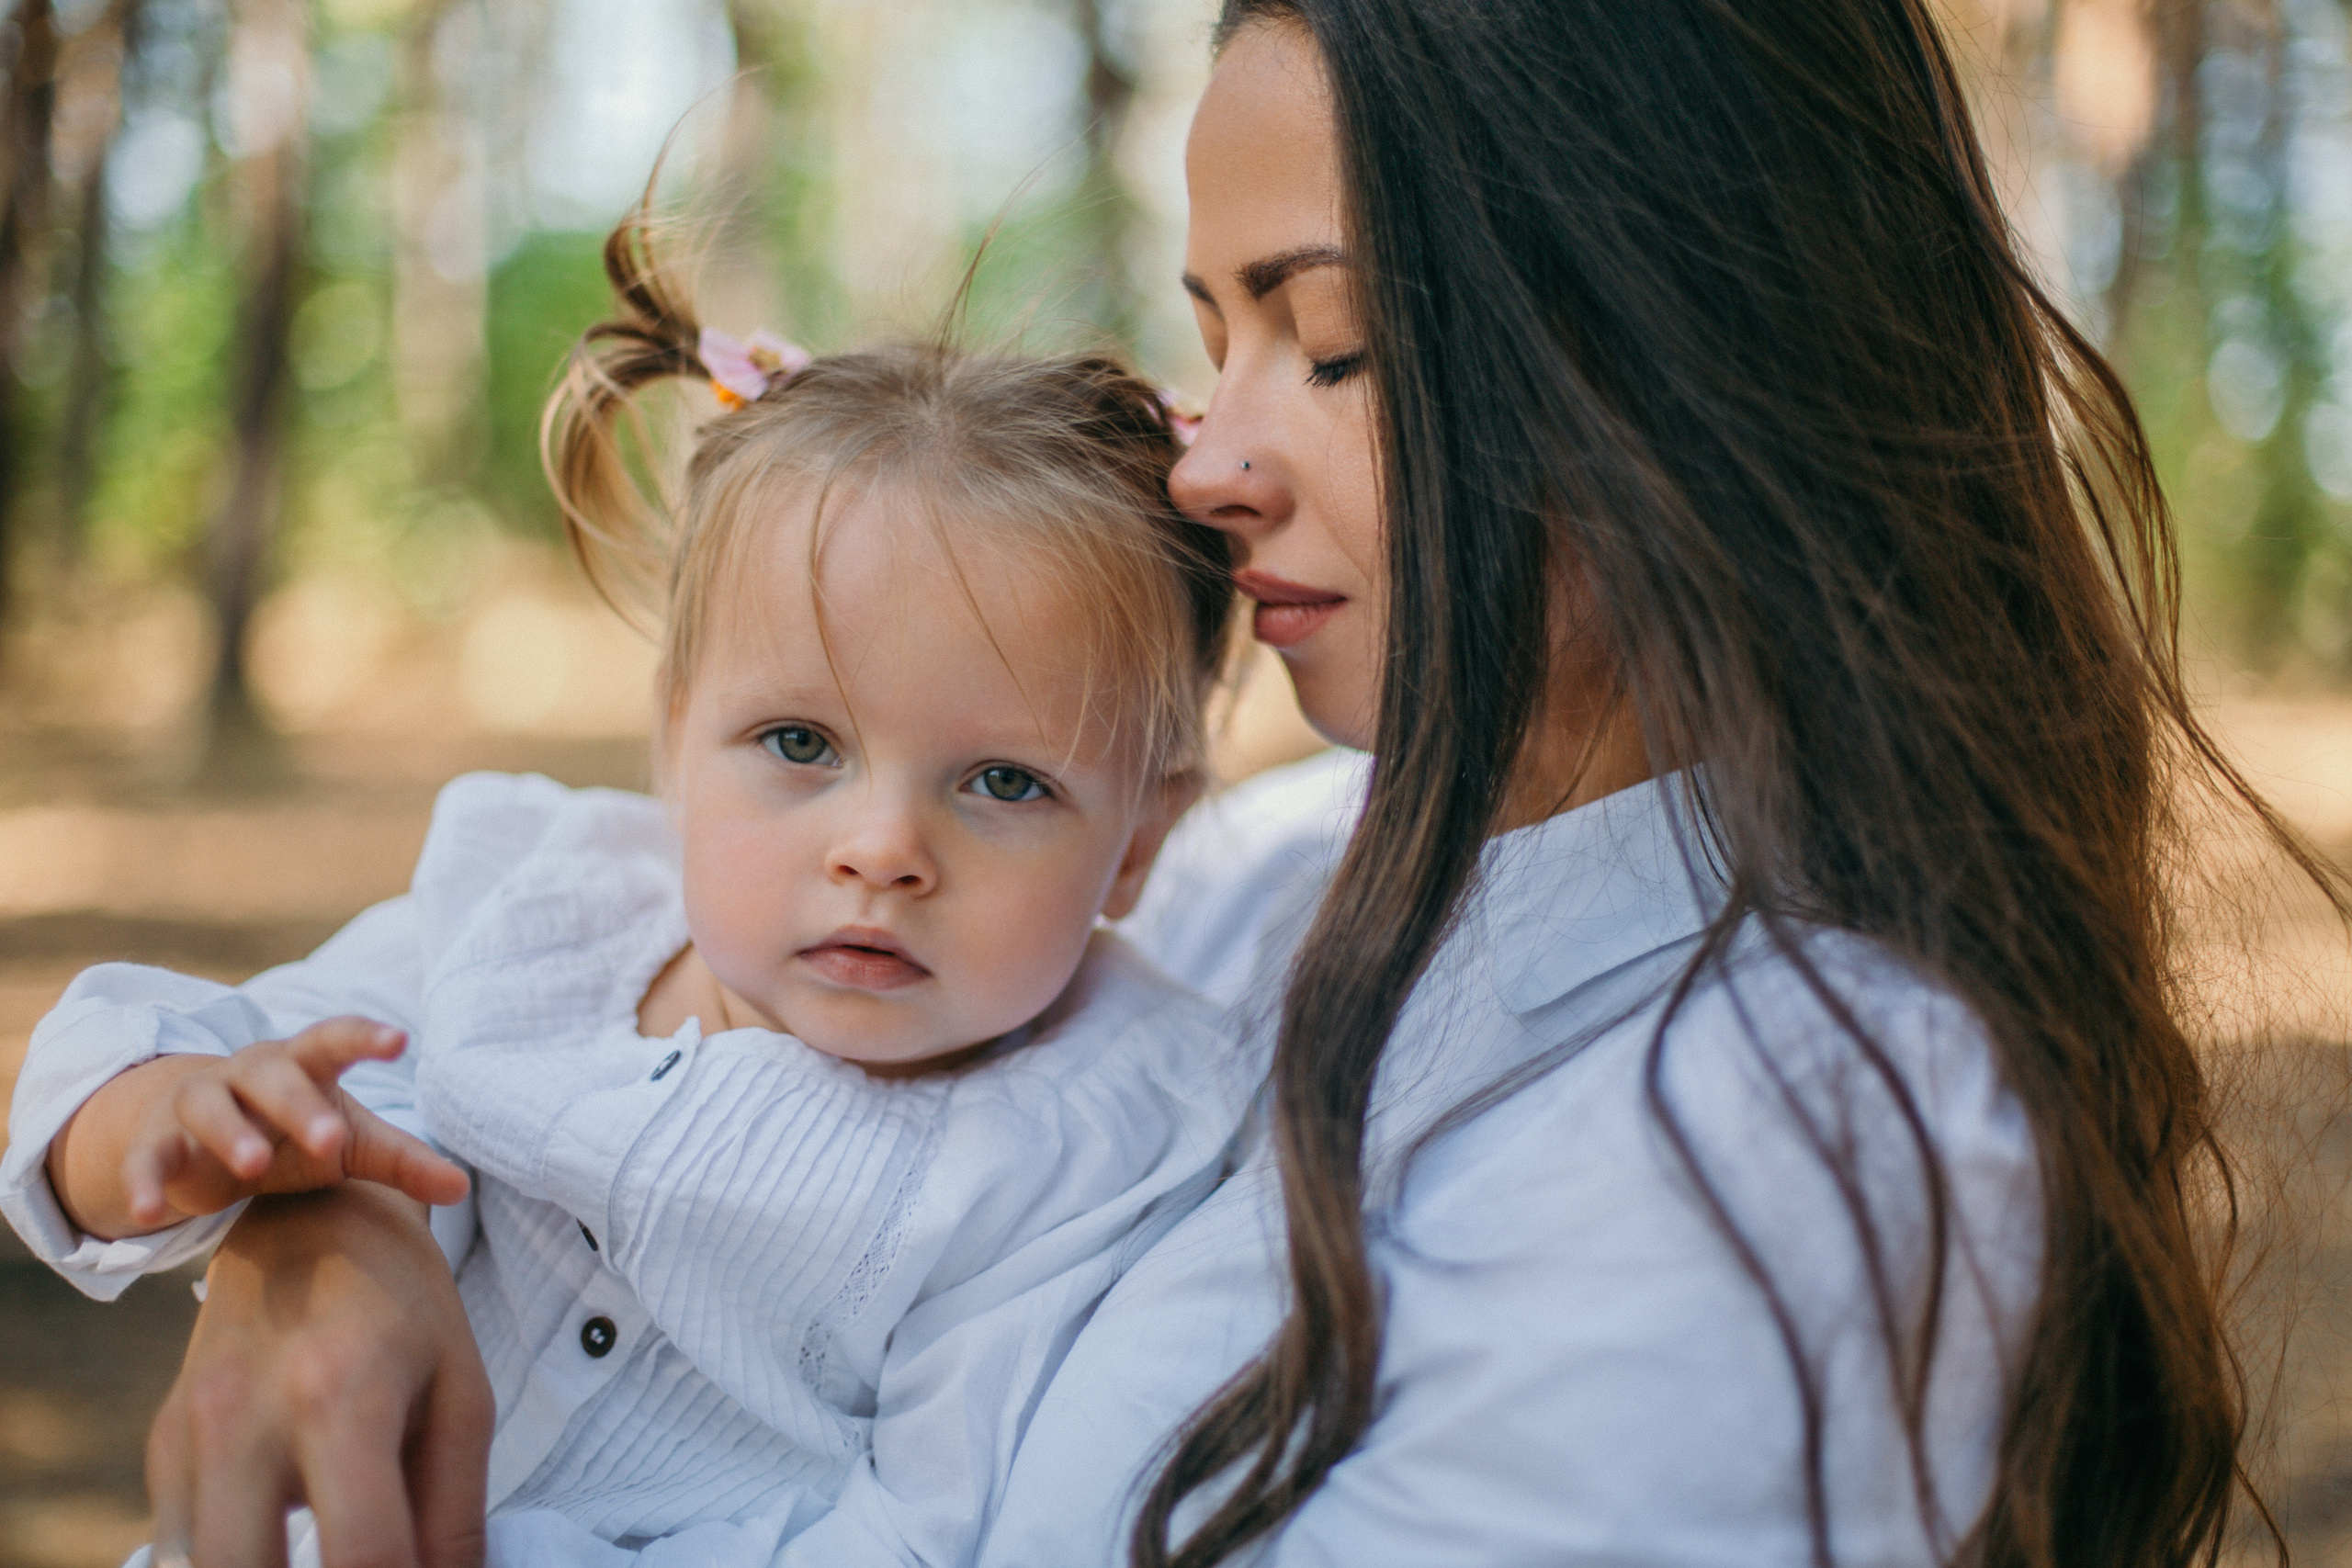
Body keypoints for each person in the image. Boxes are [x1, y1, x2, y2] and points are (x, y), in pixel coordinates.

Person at [10, 0, 2333, 1563]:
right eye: (1214, 329)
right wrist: (317, 1224)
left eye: (1333, 343)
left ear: (1674, 353)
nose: (1206, 461)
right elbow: (279, 1085)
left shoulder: (1798, 1128)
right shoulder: (1264, 875)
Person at [2, 205, 1251, 1566]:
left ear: (1140, 839)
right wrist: (162, 1120)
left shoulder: (1094, 1151)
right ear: (674, 740)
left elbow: (929, 1534)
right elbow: (140, 1072)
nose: (883, 848)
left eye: (1006, 781)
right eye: (800, 743)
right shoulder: (538, 908)